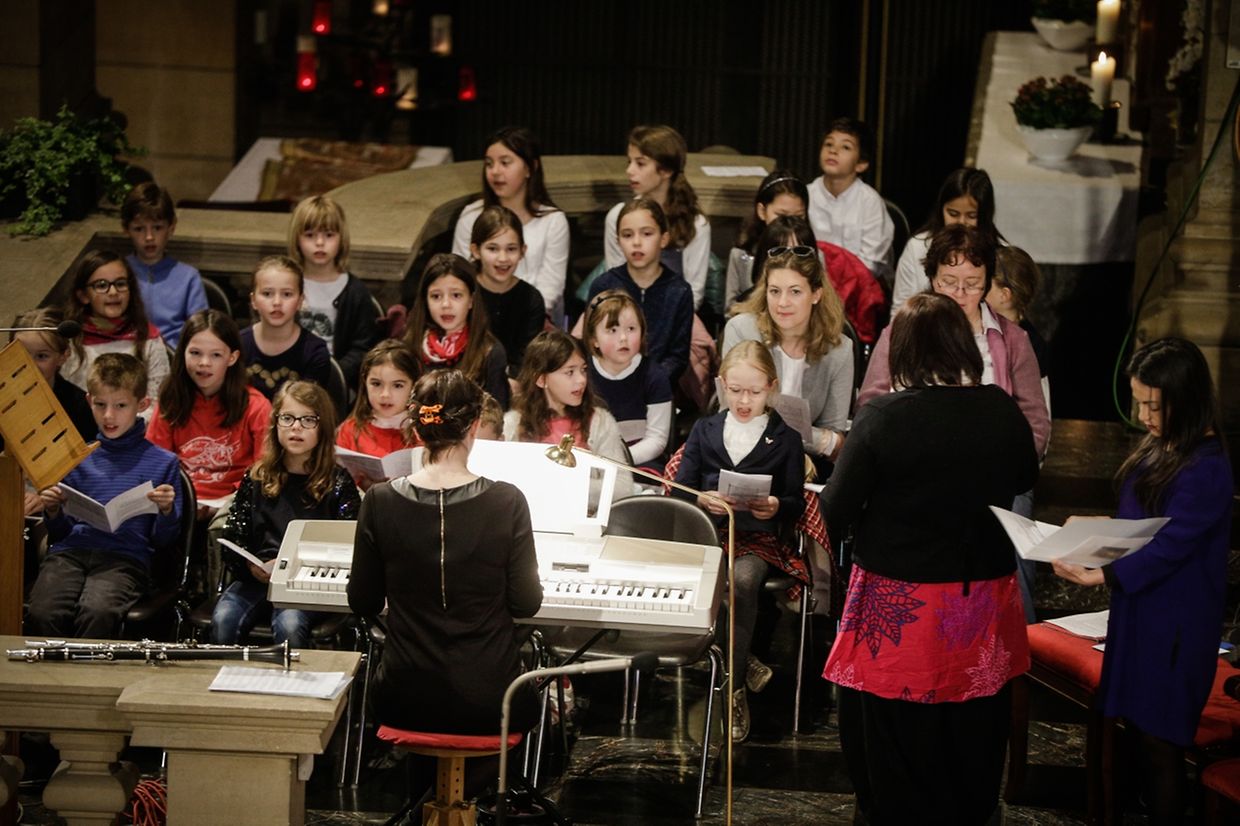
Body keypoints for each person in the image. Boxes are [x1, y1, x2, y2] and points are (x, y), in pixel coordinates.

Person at [820, 293, 1039, 826]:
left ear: (905, 353)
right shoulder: (1001, 411)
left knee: (893, 720)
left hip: (902, 597)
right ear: (961, 346)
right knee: (975, 713)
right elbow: (1025, 479)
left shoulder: (882, 418)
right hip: (980, 592)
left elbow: (836, 507)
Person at [1052, 338, 1233, 825]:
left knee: (1162, 739)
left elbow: (1170, 545)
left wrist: (1101, 572)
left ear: (1187, 397)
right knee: (1136, 728)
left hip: (1176, 623)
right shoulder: (1166, 444)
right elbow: (1142, 521)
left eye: (1154, 404)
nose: (1144, 415)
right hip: (1140, 612)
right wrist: (1091, 529)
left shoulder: (1209, 467)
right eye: (1139, 402)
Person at [347, 369, 542, 799]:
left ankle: (428, 807)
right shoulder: (508, 500)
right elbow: (526, 602)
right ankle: (466, 804)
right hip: (492, 701)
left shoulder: (379, 501)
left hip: (404, 695)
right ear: (475, 426)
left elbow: (361, 601)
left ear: (416, 427)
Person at [673, 340, 806, 743]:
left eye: (755, 391)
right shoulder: (705, 428)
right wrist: (701, 498)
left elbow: (795, 501)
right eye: (735, 390)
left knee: (743, 581)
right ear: (721, 385)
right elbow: (679, 489)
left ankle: (731, 690)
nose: (744, 400)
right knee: (709, 578)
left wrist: (773, 506)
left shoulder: (786, 439)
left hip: (756, 536)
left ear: (772, 387)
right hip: (710, 534)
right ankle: (743, 660)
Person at [859, 224, 1050, 458]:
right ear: (932, 279)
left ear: (987, 284)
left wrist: (1009, 468)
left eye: (971, 284)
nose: (959, 293)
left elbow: (1036, 423)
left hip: (991, 468)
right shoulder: (900, 331)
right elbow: (869, 406)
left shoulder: (1013, 339)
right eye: (948, 282)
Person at [27, 353, 182, 638]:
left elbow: (164, 540)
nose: (109, 415)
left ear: (142, 405)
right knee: (43, 611)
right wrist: (53, 512)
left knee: (97, 612)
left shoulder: (163, 463)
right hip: (70, 554)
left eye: (120, 406)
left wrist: (167, 511)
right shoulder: (77, 456)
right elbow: (60, 533)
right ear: (89, 401)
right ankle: (51, 682)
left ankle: (86, 681)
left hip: (125, 558)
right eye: (100, 405)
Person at [212, 381, 359, 648]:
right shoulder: (257, 476)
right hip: (259, 579)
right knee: (224, 619)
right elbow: (234, 537)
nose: (296, 427)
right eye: (288, 418)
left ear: (323, 427)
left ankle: (290, 688)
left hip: (306, 583)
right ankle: (232, 686)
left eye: (307, 420)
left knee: (288, 624)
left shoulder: (337, 482)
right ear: (275, 423)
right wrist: (250, 566)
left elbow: (349, 545)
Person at [722, 245, 853, 468]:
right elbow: (733, 413)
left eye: (795, 291)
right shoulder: (742, 330)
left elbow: (835, 440)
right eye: (774, 291)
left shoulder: (839, 350)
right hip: (742, 452)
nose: (782, 303)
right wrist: (816, 439)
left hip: (804, 465)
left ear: (816, 294)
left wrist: (822, 442)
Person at [147, 309, 271, 518]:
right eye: (195, 353)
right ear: (182, 351)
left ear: (232, 357)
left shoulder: (256, 407)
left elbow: (264, 472)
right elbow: (156, 466)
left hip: (235, 507)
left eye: (215, 355)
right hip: (180, 504)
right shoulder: (170, 400)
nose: (204, 363)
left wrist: (231, 504)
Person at [451, 126, 570, 322]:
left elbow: (551, 287)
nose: (495, 172)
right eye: (489, 164)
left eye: (505, 163)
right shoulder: (471, 216)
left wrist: (523, 316)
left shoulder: (553, 221)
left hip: (536, 320)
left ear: (530, 168)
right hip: (480, 318)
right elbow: (459, 275)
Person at [988, 245, 1049, 622]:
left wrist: (1023, 465)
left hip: (1015, 471)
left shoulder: (1029, 343)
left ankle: (1026, 647)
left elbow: (1041, 416)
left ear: (1005, 294)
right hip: (987, 464)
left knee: (1018, 559)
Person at [602, 125, 711, 310]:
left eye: (640, 163)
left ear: (666, 171)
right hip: (626, 313)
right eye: (629, 162)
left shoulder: (696, 223)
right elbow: (615, 279)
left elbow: (695, 293)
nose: (629, 170)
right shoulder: (618, 216)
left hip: (675, 313)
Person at [586, 198, 694, 385]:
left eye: (646, 234)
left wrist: (649, 382)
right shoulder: (603, 286)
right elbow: (592, 344)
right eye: (627, 235)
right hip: (607, 386)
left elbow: (677, 357)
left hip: (658, 389)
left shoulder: (679, 291)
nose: (636, 242)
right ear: (618, 241)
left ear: (663, 239)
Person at [288, 194, 381, 389]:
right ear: (297, 238)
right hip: (289, 378)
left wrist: (333, 374)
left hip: (337, 384)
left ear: (341, 239)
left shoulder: (355, 292)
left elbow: (362, 348)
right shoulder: (286, 286)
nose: (320, 243)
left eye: (329, 235)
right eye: (310, 235)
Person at [59, 250, 171, 408]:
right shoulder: (71, 341)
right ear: (83, 295)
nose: (113, 292)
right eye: (102, 285)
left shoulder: (148, 339)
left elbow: (157, 405)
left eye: (120, 284)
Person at [504, 330, 628, 467]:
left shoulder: (600, 422)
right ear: (541, 379)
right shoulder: (513, 425)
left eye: (583, 370)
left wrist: (570, 482)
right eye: (570, 372)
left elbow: (621, 483)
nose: (581, 380)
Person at [403, 253, 509, 407]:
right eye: (436, 296)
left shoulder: (490, 351)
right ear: (425, 300)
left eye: (456, 295)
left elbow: (498, 415)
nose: (446, 304)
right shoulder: (410, 345)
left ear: (471, 300)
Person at [583, 290, 673, 470]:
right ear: (594, 340)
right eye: (612, 330)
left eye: (631, 329)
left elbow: (657, 439)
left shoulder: (655, 375)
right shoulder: (582, 373)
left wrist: (617, 461)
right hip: (590, 461)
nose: (623, 338)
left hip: (640, 462)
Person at [891, 167, 1001, 313]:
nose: (961, 222)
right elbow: (900, 310)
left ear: (984, 215)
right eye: (953, 213)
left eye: (971, 216)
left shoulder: (1000, 254)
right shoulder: (917, 247)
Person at [122, 181, 208, 349]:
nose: (149, 237)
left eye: (157, 228)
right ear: (126, 230)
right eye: (139, 229)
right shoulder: (118, 273)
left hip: (174, 360)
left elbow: (200, 332)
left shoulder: (188, 277)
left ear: (171, 227)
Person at [807, 118, 893, 279]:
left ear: (861, 164)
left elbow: (871, 264)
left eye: (845, 147)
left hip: (859, 288)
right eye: (829, 144)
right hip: (813, 283)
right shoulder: (806, 195)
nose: (833, 151)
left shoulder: (870, 202)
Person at [468, 205, 545, 377]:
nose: (503, 258)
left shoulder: (531, 298)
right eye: (493, 249)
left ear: (522, 251)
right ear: (476, 251)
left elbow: (526, 360)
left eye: (511, 249)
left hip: (513, 384)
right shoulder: (464, 291)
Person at [239, 255, 331, 400]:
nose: (277, 302)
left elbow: (309, 411)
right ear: (253, 300)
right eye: (267, 293)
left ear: (300, 301)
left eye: (287, 294)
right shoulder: (237, 344)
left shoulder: (314, 352)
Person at [335, 339, 421, 489]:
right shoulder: (349, 431)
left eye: (397, 385)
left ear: (414, 386)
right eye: (376, 384)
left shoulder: (423, 431)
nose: (385, 394)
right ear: (364, 382)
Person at [725, 170, 809, 309]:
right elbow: (730, 308)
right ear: (762, 211)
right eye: (782, 215)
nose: (790, 224)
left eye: (798, 216)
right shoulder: (740, 255)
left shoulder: (814, 255)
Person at [9, 307, 95, 443]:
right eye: (22, 353)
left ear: (63, 356)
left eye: (42, 356)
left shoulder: (80, 407)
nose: (30, 364)